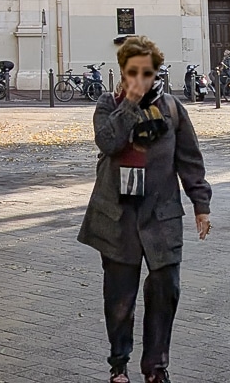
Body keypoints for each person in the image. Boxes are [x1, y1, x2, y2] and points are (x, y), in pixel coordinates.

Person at [79, 35, 212, 383]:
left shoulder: (171, 109)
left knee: (166, 291)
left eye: (147, 73)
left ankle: (156, 367)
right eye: (133, 72)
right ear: (122, 73)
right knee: (120, 298)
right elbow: (108, 142)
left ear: (156, 73)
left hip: (161, 216)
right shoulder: (108, 105)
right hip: (117, 218)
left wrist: (201, 205)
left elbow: (189, 160)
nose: (140, 79)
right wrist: (129, 106)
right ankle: (119, 365)